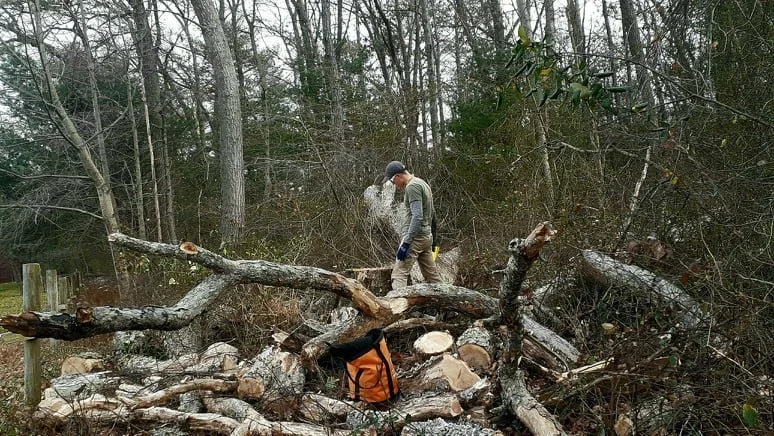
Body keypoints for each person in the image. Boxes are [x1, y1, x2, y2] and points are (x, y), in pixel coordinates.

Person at [384, 160, 442, 289]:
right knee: (433, 278)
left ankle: (396, 306)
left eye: (393, 182)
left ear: (398, 176)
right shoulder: (422, 183)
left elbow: (417, 216)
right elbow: (432, 213)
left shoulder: (412, 187)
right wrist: (433, 238)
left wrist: (406, 242)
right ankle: (445, 303)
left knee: (399, 275)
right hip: (425, 237)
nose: (395, 185)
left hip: (415, 239)